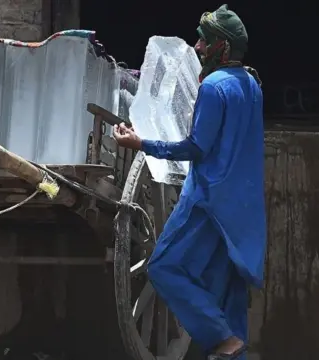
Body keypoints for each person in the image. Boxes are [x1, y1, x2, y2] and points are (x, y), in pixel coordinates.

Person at [113, 4, 265, 360]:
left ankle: (222, 340)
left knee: (164, 267)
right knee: (228, 294)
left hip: (207, 201)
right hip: (241, 210)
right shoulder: (252, 86)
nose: (197, 47)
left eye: (205, 40)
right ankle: (230, 346)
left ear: (223, 48)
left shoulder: (213, 86)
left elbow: (196, 147)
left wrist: (142, 143)